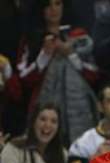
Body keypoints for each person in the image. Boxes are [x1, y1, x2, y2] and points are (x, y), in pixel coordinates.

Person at [16, 0, 99, 145]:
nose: (53, 9)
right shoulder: (31, 39)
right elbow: (24, 79)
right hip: (43, 110)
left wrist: (71, 54)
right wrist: (45, 55)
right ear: (40, 9)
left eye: (57, 3)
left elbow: (93, 74)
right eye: (48, 5)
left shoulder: (80, 36)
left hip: (79, 111)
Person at [1, 102, 67, 163]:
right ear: (33, 122)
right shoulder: (13, 149)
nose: (47, 125)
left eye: (53, 121)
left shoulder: (63, 154)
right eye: (43, 119)